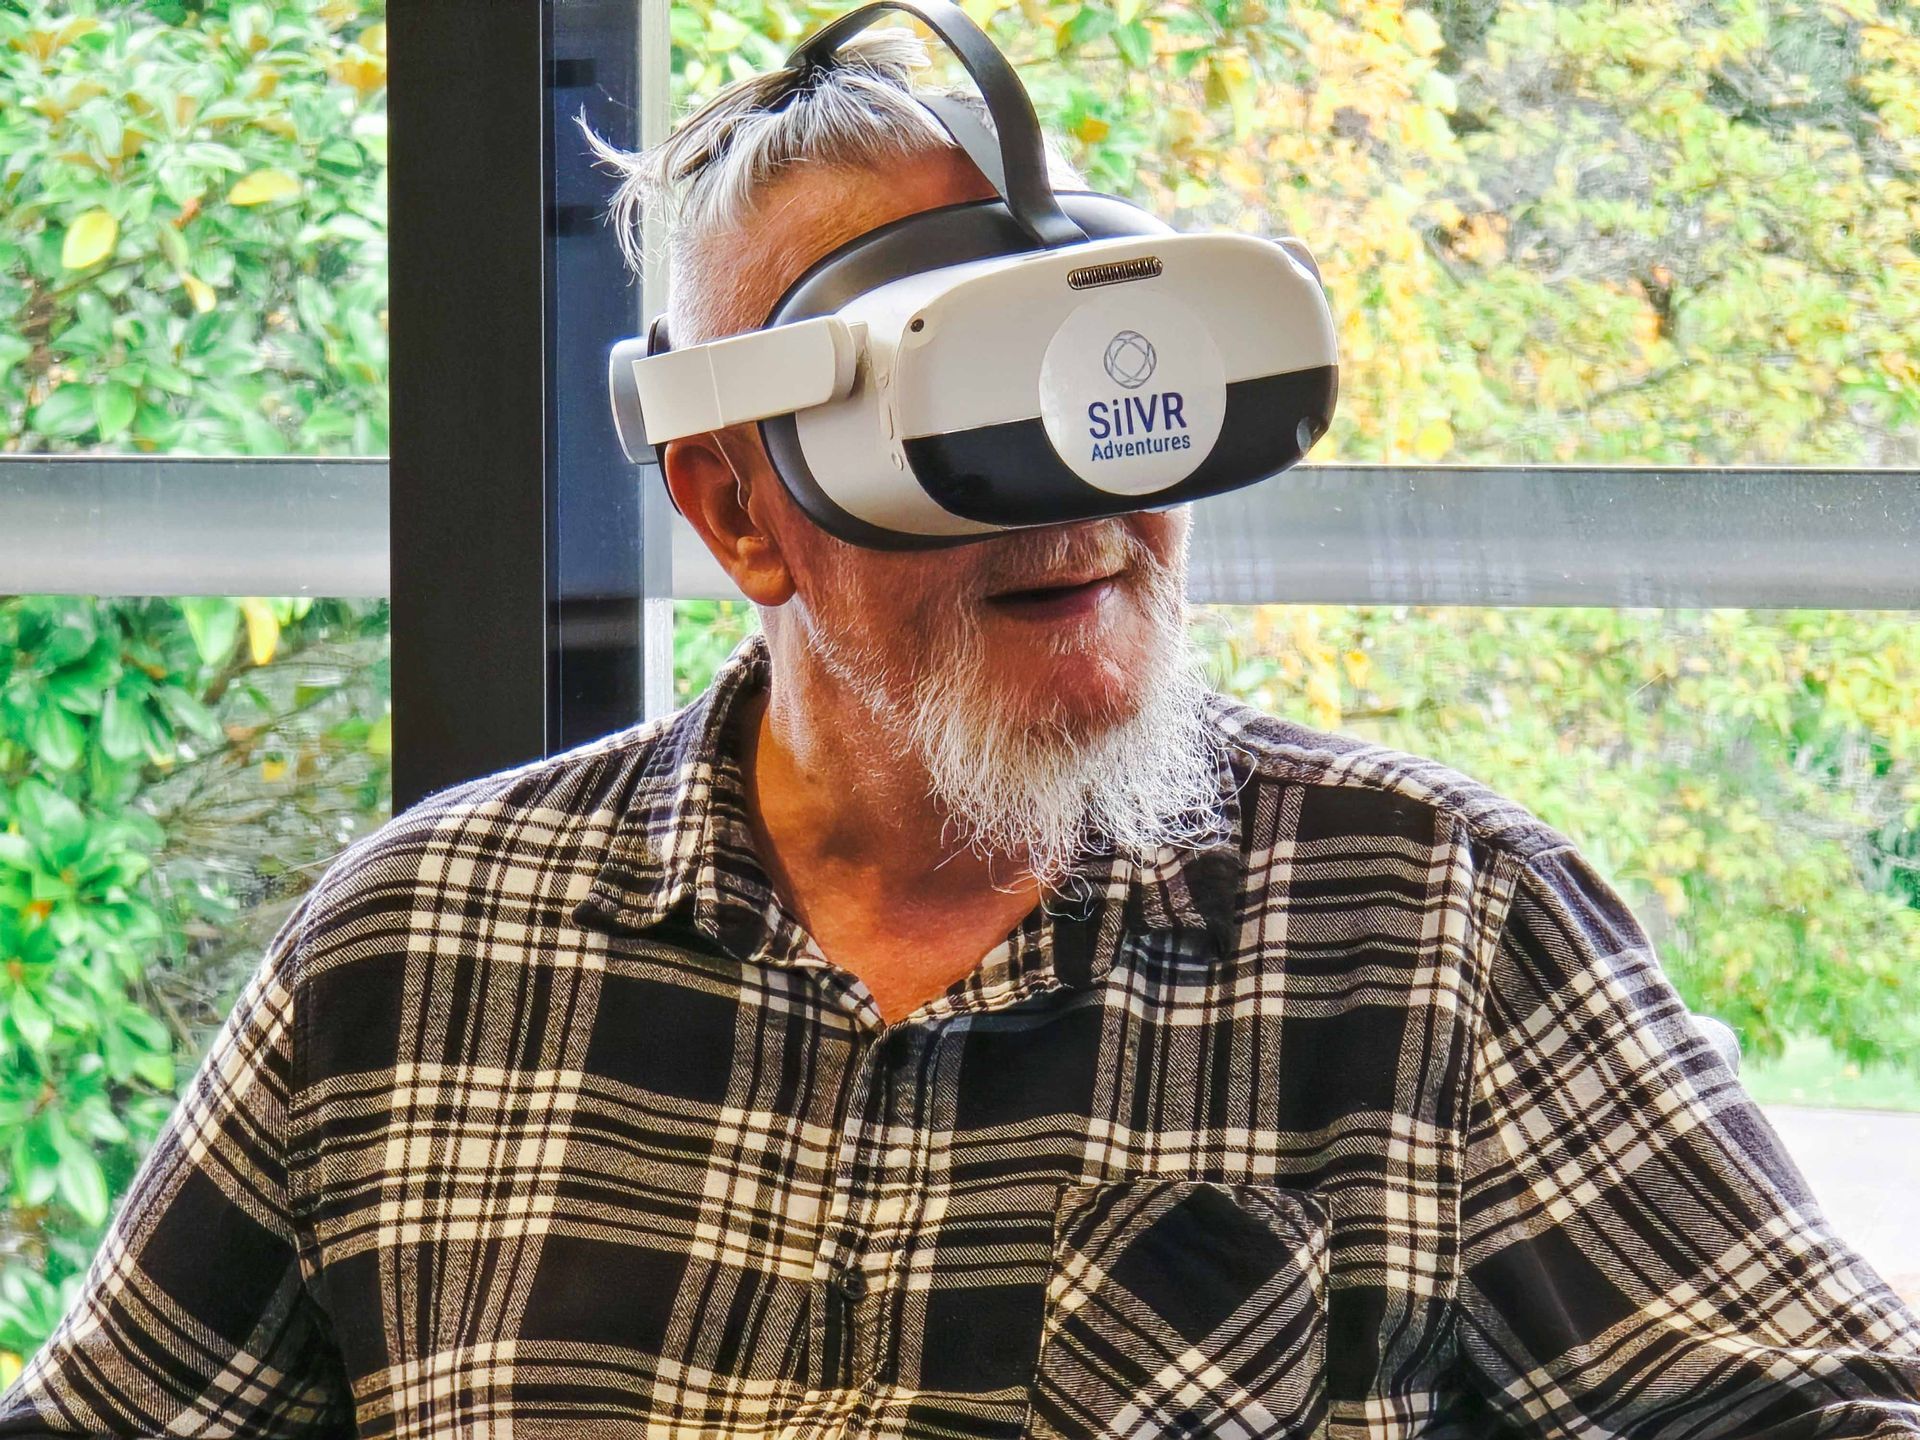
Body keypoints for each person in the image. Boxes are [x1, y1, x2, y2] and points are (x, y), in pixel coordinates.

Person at [4, 24, 1917, 1440]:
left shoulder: (1442, 931)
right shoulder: (415, 949)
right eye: (967, 428)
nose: (1084, 508)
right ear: (736, 507)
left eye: (1125, 399)